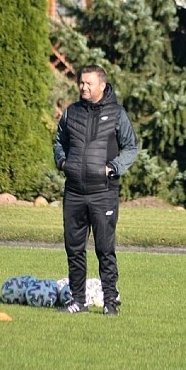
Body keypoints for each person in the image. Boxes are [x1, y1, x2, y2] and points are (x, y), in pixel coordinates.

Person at [53, 65, 138, 316]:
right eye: (81, 83)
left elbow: (130, 147)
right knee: (74, 249)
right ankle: (78, 300)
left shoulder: (117, 114)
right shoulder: (71, 112)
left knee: (104, 249)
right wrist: (62, 163)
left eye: (89, 83)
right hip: (74, 193)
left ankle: (110, 301)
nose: (83, 87)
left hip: (104, 193)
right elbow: (59, 142)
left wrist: (112, 168)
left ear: (102, 85)